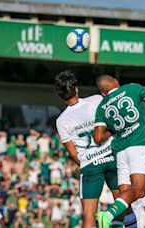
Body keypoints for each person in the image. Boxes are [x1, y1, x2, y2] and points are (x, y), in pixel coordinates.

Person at [93, 75, 145, 227]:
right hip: (140, 145)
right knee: (140, 190)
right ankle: (107, 215)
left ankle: (114, 221)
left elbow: (98, 138)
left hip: (121, 151)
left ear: (103, 93)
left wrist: (115, 128)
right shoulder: (132, 88)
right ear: (116, 81)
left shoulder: (102, 106)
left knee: (126, 198)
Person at [54, 71, 126, 228]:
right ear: (77, 89)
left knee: (89, 214)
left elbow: (73, 153)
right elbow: (114, 124)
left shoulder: (61, 121)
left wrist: (89, 164)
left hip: (90, 164)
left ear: (60, 96)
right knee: (121, 203)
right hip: (112, 157)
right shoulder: (96, 100)